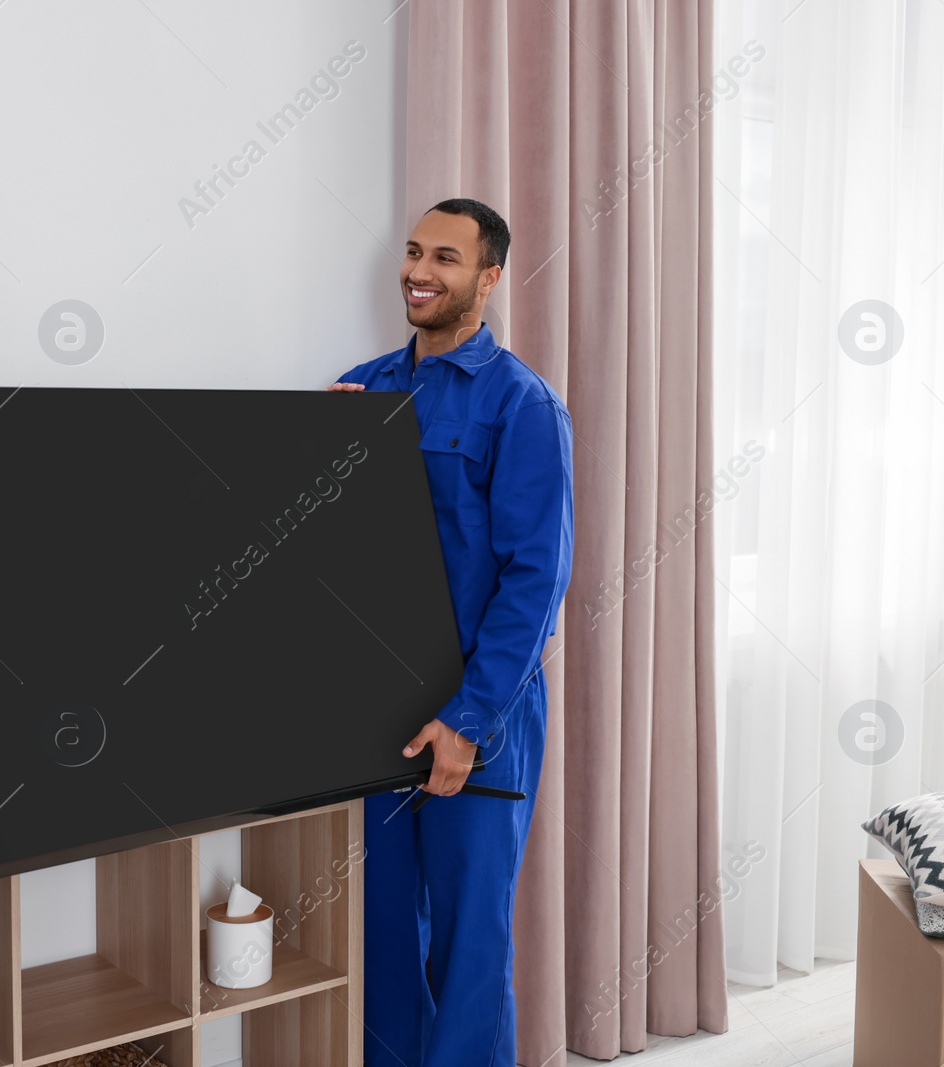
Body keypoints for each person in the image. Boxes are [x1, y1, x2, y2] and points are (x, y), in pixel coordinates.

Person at [329, 198, 574, 1066]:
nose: (419, 271)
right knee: (380, 934)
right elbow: (324, 555)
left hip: (482, 712)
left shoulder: (524, 406)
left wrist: (469, 720)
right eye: (411, 251)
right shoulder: (363, 387)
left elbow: (535, 582)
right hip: (377, 712)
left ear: (489, 277)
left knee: (468, 948)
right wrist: (313, 452)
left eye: (445, 256)